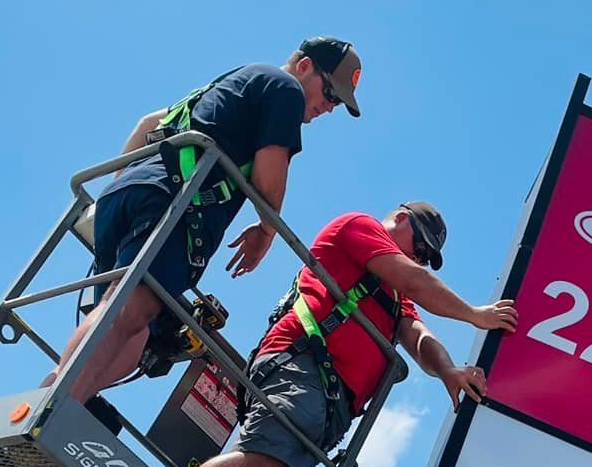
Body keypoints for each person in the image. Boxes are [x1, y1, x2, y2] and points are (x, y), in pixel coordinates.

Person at [48, 38, 364, 405]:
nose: (328, 107)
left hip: (135, 192)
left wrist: (120, 183)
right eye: (329, 92)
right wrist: (266, 229)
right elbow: (268, 173)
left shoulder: (237, 80)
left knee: (135, 330)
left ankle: (55, 395)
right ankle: (54, 409)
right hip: (173, 205)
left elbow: (149, 123)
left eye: (337, 103)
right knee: (125, 314)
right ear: (305, 66)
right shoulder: (285, 88)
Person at [180, 202, 516, 467]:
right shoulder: (359, 227)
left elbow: (418, 336)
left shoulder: (397, 296)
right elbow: (415, 280)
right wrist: (474, 315)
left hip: (331, 405)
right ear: (401, 219)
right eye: (421, 246)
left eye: (427, 257)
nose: (421, 258)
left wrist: (448, 370)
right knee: (261, 460)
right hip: (303, 366)